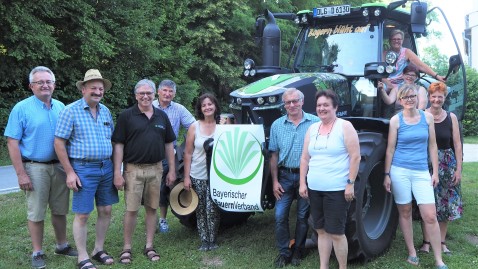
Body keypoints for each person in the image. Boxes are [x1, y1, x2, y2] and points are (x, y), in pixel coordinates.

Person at [4, 66, 77, 269]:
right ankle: (37, 251)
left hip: (60, 168)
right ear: (31, 86)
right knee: (36, 212)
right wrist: (21, 174)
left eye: (48, 81)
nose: (45, 85)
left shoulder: (61, 107)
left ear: (54, 84)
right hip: (35, 168)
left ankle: (62, 245)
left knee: (60, 209)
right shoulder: (21, 108)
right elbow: (12, 142)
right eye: (40, 82)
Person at [54, 69, 119, 269]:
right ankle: (82, 256)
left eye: (100, 88)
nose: (98, 92)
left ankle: (98, 249)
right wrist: (70, 172)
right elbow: (58, 142)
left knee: (106, 209)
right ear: (83, 89)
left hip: (105, 167)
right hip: (82, 168)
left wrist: (116, 169)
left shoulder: (106, 111)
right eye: (93, 88)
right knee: (82, 214)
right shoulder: (70, 110)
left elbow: (114, 141)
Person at [383, 84, 448, 269]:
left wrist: (434, 172)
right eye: (405, 97)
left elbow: (433, 146)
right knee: (405, 212)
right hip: (399, 171)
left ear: (417, 98)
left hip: (421, 172)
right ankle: (412, 252)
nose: (409, 99)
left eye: (412, 96)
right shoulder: (396, 120)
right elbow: (390, 149)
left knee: (430, 215)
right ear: (400, 100)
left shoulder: (427, 118)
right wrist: (387, 174)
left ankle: (439, 260)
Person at [112, 79, 176, 264]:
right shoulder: (126, 116)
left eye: (149, 93)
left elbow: (169, 144)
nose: (145, 96)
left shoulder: (161, 117)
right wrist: (118, 172)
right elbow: (119, 146)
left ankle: (149, 245)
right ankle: (127, 248)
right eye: (142, 93)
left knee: (152, 208)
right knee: (131, 209)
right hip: (133, 169)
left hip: (156, 169)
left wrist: (172, 170)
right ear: (136, 95)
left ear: (154, 95)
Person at [299, 90, 360, 269]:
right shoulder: (312, 128)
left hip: (337, 189)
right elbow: (304, 158)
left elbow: (355, 156)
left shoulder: (345, 126)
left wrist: (350, 183)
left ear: (335, 107)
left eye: (326, 105)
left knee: (336, 232)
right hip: (315, 189)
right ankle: (323, 266)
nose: (322, 108)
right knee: (321, 231)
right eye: (319, 105)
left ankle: (342, 267)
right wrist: (303, 182)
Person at [268, 88, 320, 267]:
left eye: (295, 101)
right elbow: (273, 155)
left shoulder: (315, 123)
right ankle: (284, 252)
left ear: (302, 101)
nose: (292, 105)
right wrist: (274, 181)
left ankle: (298, 250)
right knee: (280, 215)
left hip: (307, 176)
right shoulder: (277, 125)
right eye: (288, 102)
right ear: (284, 105)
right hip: (284, 177)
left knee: (302, 216)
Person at [419, 82, 463, 254]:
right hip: (425, 163)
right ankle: (426, 243)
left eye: (440, 96)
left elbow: (457, 145)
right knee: (426, 202)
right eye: (434, 96)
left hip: (447, 163)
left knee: (445, 203)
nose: (436, 99)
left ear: (444, 98)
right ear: (429, 97)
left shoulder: (451, 117)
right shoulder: (422, 115)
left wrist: (458, 169)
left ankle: (442, 242)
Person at [152, 79, 195, 233]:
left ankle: (163, 220)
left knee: (164, 187)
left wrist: (187, 143)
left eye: (171, 91)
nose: (167, 94)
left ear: (174, 94)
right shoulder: (149, 106)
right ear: (158, 91)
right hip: (148, 153)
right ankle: (151, 219)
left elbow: (193, 126)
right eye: (165, 90)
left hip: (168, 153)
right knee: (147, 188)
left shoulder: (179, 109)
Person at [182, 93, 221, 251]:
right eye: (204, 105)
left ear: (215, 106)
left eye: (210, 104)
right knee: (200, 208)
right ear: (200, 109)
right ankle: (204, 240)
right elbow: (188, 153)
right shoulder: (194, 126)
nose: (207, 107)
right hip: (198, 173)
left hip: (218, 175)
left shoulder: (223, 125)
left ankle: (213, 239)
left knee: (212, 209)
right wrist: (186, 177)